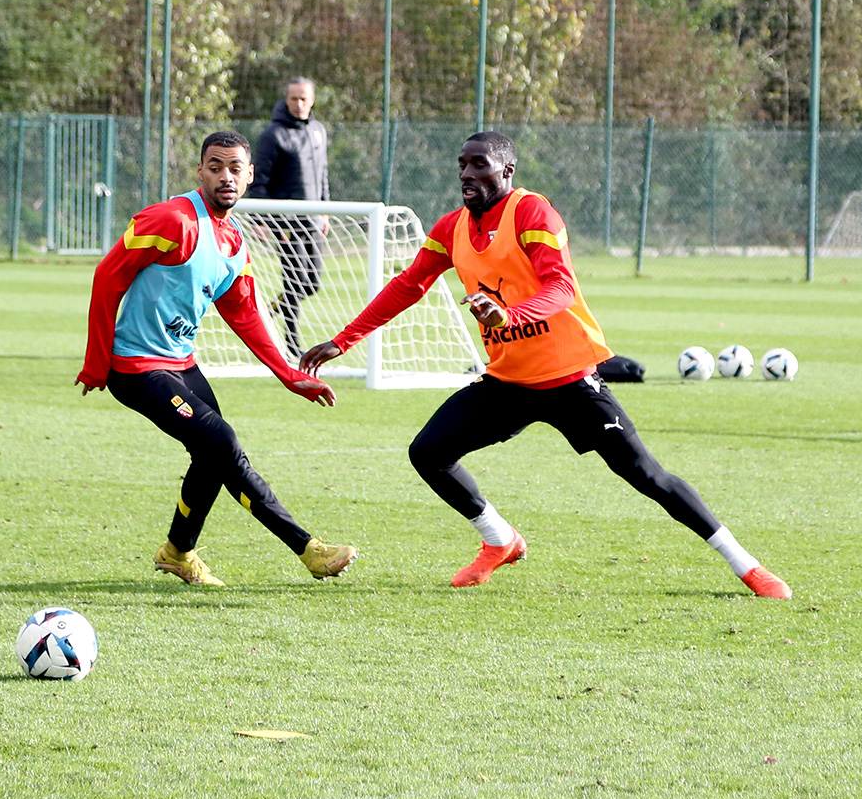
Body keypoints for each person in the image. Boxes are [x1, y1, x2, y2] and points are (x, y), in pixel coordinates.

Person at [300, 133, 790, 597]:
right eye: (462, 166)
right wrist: (344, 340)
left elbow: (560, 287)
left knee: (646, 475)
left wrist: (508, 314)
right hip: (507, 383)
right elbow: (410, 284)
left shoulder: (532, 211)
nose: (467, 174)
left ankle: (746, 564)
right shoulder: (451, 227)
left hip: (570, 380)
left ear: (506, 171)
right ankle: (499, 540)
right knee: (428, 452)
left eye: (479, 165)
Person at [78, 129, 357, 586]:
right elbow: (108, 277)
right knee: (222, 443)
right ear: (200, 172)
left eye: (234, 169)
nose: (224, 176)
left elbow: (245, 313)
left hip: (180, 363)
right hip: (134, 366)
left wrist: (289, 375)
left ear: (249, 176)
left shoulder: (232, 243)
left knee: (213, 455)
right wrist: (96, 362)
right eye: (215, 167)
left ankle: (177, 552)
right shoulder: (170, 220)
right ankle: (308, 549)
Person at [249, 77, 329, 359]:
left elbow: (323, 175)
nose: (299, 104)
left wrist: (327, 211)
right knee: (294, 282)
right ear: (286, 100)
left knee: (312, 283)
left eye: (304, 98)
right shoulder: (273, 134)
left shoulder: (319, 131)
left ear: (312, 100)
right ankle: (293, 344)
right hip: (285, 222)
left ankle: (271, 311)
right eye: (294, 98)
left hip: (314, 221)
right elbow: (259, 181)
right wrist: (263, 221)